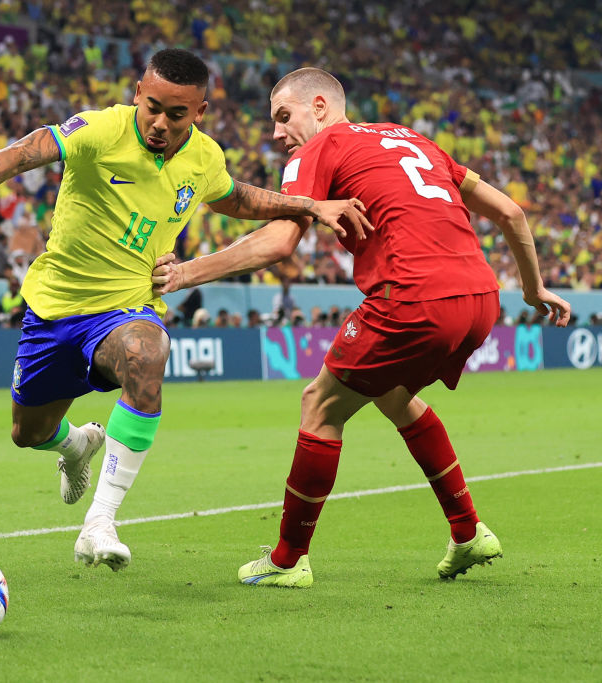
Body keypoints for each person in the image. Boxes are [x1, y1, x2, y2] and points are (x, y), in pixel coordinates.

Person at [0, 50, 370, 573]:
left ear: (200, 112)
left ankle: (100, 522)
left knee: (149, 352)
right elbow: (30, 149)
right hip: (54, 307)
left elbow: (236, 198)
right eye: (152, 107)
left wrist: (310, 205)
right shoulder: (103, 128)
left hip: (125, 309)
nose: (160, 122)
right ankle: (77, 444)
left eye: (176, 114)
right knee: (28, 433)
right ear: (137, 93)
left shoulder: (204, 157)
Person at [152, 67, 571, 587]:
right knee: (393, 395)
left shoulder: (317, 150)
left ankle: (287, 560)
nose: (277, 133)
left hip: (414, 296)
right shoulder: (413, 138)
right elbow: (510, 213)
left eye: (285, 117)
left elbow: (282, 242)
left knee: (320, 404)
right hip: (483, 298)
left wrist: (186, 272)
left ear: (321, 107)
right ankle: (468, 533)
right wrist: (532, 290)